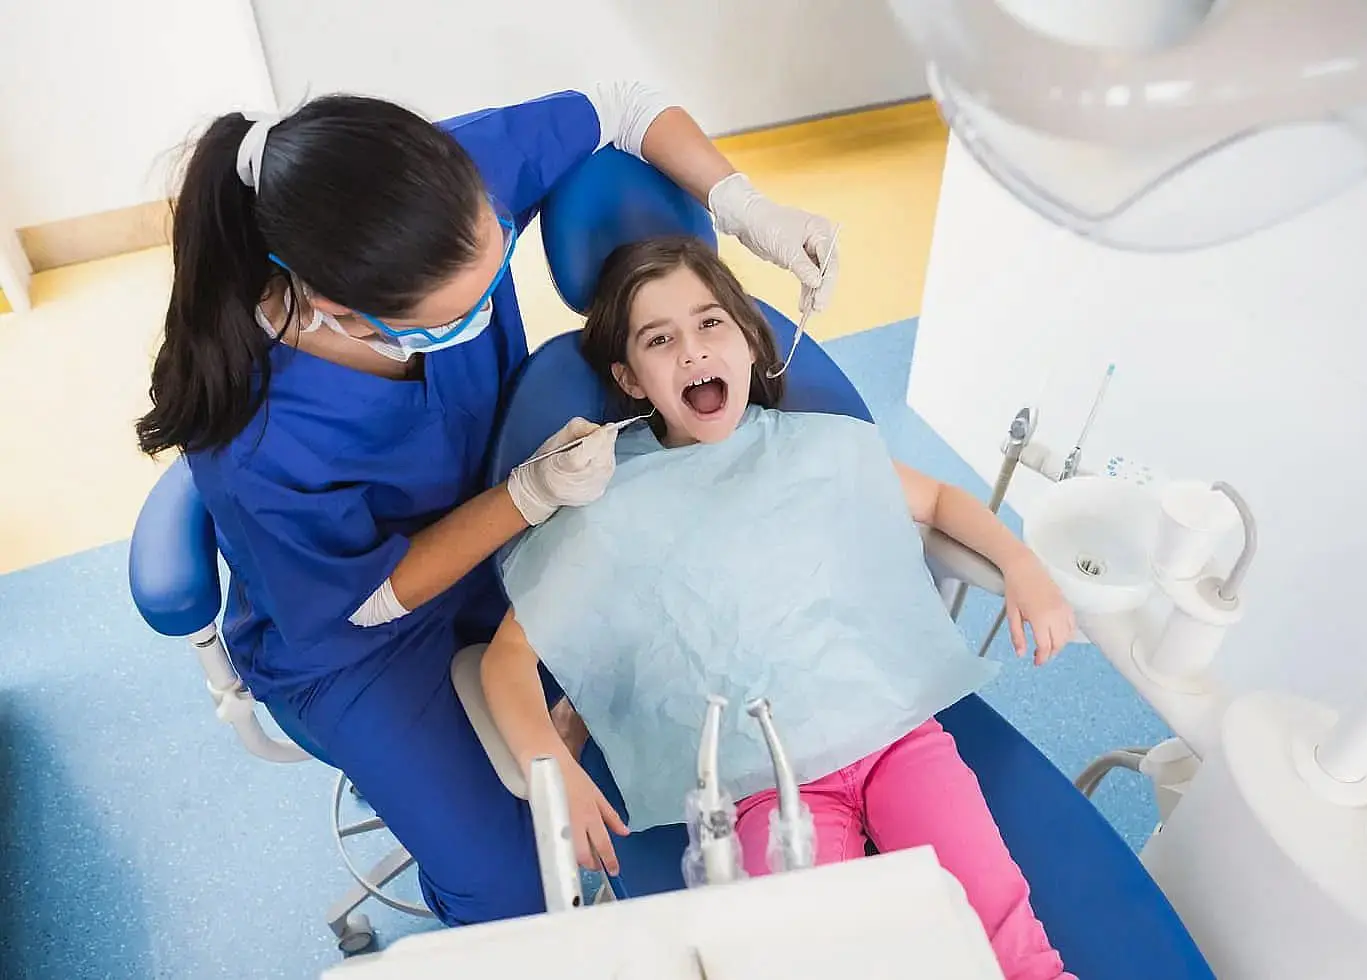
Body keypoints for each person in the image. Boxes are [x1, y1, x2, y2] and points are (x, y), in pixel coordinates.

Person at [134, 83, 841, 927]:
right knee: (517, 888)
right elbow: (368, 602)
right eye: (456, 315)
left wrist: (745, 205)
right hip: (362, 642)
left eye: (494, 258)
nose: (484, 306)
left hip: (519, 537)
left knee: (663, 757)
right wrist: (527, 494)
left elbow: (618, 103)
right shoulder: (255, 436)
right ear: (340, 311)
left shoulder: (442, 184)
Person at [481, 237, 1078, 980]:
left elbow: (943, 500)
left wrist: (1023, 565)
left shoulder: (809, 449)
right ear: (630, 379)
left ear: (748, 339)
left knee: (1002, 937)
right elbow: (508, 658)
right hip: (758, 779)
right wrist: (550, 762)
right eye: (659, 340)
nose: (692, 351)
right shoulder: (611, 501)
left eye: (710, 324)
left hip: (893, 736)